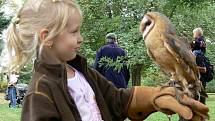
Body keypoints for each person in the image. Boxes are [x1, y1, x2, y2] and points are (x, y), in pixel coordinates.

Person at [6, 0, 208, 121]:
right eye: (74, 31)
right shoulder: (40, 91)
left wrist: (153, 97)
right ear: (46, 37)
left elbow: (116, 101)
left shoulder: (83, 71)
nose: (81, 38)